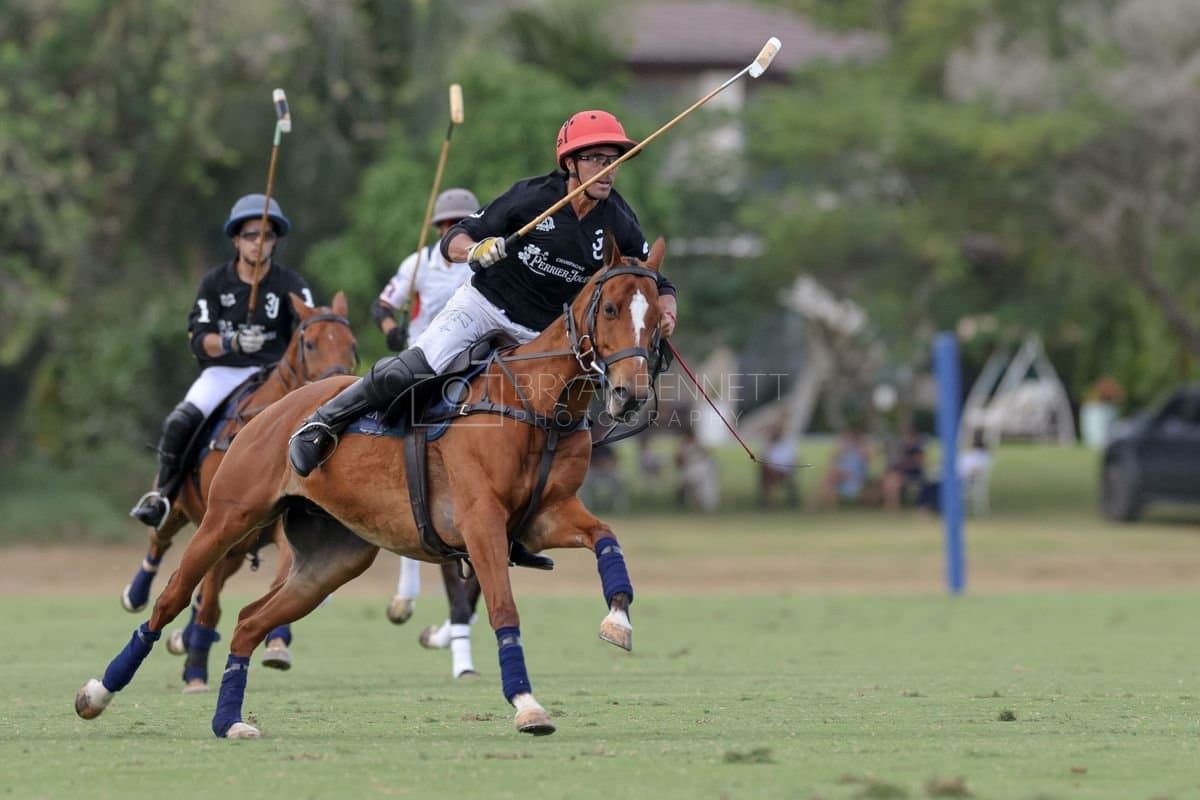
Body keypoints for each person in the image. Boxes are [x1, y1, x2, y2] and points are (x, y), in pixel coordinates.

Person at [287, 109, 680, 566]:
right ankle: (325, 421)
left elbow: (647, 277)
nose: (607, 169)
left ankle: (519, 524)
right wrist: (477, 249)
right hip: (485, 305)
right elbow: (455, 238)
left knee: (557, 418)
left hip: (542, 330)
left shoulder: (620, 220)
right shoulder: (532, 198)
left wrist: (667, 303)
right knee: (421, 365)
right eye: (595, 157)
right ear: (570, 163)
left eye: (614, 158)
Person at [130, 194, 314, 529]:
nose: (259, 243)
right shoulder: (215, 283)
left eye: (267, 236)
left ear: (276, 242)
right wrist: (233, 341)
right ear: (236, 239)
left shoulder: (291, 285)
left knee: (320, 424)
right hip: (224, 373)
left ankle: (321, 501)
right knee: (179, 421)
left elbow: (312, 328)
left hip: (276, 377)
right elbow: (199, 338)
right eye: (250, 235)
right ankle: (163, 496)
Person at [377, 188, 481, 624]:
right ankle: (408, 584)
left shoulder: (483, 260)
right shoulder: (417, 264)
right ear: (439, 228)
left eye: (462, 222)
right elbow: (383, 305)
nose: (453, 230)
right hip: (426, 358)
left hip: (476, 360)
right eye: (446, 224)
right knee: (403, 434)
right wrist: (391, 332)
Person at [816, 427, 873, 510]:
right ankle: (828, 507)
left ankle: (815, 505)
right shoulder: (843, 450)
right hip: (840, 477)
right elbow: (832, 460)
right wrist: (842, 449)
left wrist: (861, 446)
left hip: (854, 477)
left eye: (851, 437)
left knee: (830, 478)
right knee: (830, 481)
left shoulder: (862, 450)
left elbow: (868, 459)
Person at [881, 428, 928, 511]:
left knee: (894, 480)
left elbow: (919, 464)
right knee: (890, 479)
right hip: (902, 473)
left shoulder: (917, 449)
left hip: (914, 474)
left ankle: (892, 506)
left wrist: (905, 464)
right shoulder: (905, 448)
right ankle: (890, 505)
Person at [758, 426, 799, 508]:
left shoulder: (787, 445)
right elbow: (764, 458)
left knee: (767, 474)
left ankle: (768, 502)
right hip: (770, 472)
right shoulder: (770, 446)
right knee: (765, 472)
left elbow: (790, 461)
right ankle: (768, 501)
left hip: (784, 472)